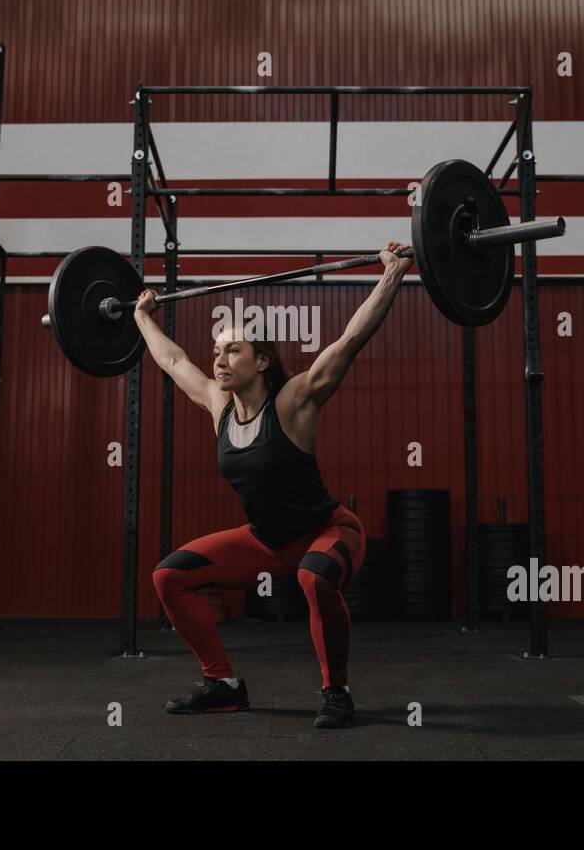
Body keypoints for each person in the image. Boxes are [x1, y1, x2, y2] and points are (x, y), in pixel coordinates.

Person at [140, 241, 412, 729]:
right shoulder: (218, 406)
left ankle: (336, 692)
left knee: (313, 575)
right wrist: (143, 316)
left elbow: (350, 340)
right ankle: (223, 686)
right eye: (217, 350)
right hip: (265, 542)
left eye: (233, 350)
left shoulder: (293, 402)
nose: (219, 359)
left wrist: (393, 272)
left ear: (262, 360)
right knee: (168, 577)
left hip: (327, 531)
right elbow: (174, 361)